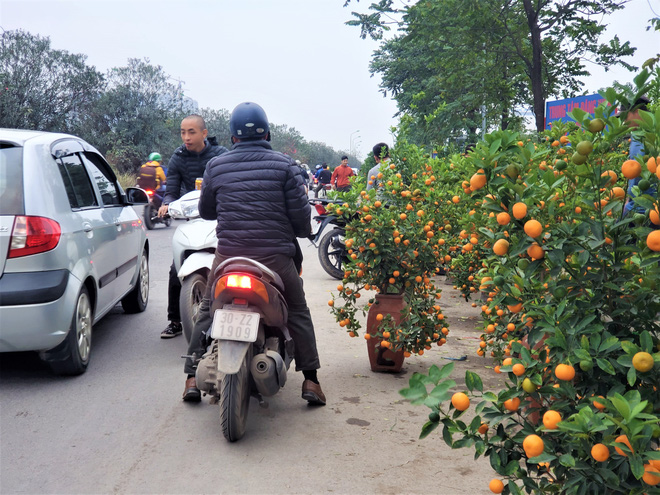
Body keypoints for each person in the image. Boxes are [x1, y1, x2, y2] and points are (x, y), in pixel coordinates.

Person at [182, 101, 325, 406]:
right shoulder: (286, 166)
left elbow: (206, 211)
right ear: (267, 134)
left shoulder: (216, 166)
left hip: (229, 256)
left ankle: (192, 377)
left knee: (207, 310)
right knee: (298, 312)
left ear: (233, 137)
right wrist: (303, 231)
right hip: (274, 258)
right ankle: (311, 381)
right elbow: (301, 220)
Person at [157, 115, 229, 339]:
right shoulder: (178, 158)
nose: (186, 137)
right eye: (182, 132)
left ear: (204, 133)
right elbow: (172, 189)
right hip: (193, 217)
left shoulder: (221, 155)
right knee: (174, 270)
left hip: (221, 218)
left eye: (192, 132)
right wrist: (167, 204)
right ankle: (175, 320)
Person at [617, 95, 656, 217]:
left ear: (637, 112)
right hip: (634, 207)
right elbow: (634, 173)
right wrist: (629, 200)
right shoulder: (635, 135)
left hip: (650, 210)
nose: (623, 121)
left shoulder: (654, 135)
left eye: (625, 116)